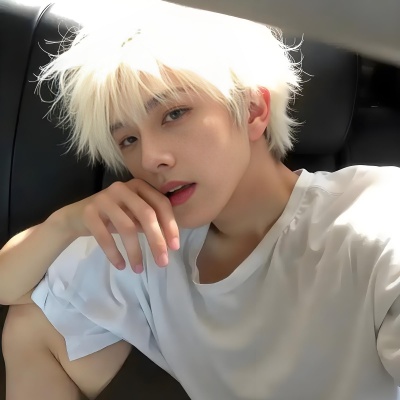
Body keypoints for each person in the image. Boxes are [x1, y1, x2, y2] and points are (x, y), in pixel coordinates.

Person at [1, 1, 400, 399]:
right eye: (128, 139)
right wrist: (66, 223)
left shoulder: (372, 218)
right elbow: (9, 287)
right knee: (30, 325)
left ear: (252, 109)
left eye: (174, 114)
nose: (150, 158)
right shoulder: (153, 242)